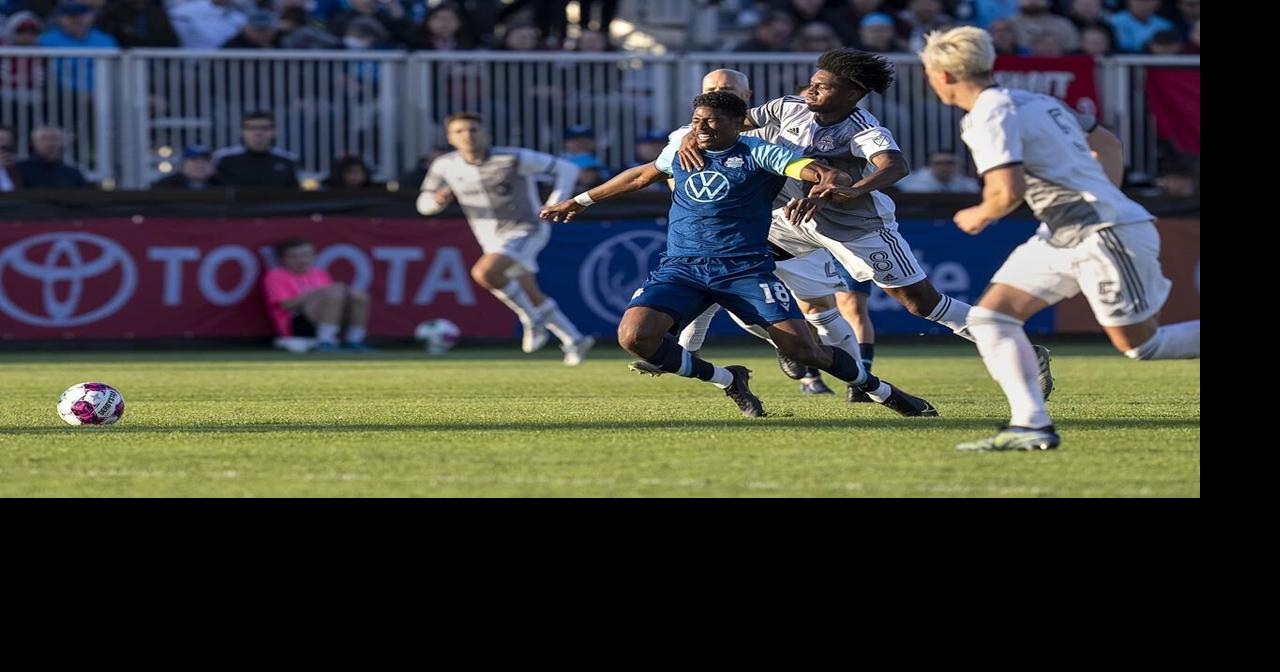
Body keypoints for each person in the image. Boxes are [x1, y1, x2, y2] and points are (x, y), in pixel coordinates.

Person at [675, 48, 1056, 399]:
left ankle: (1021, 346)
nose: (811, 90)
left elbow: (894, 165)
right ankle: (763, 348)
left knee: (921, 303)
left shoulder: (862, 128)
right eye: (813, 82)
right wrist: (691, 137)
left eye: (823, 87)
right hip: (793, 219)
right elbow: (727, 122)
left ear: (851, 95)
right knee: (727, 255)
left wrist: (855, 190)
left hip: (856, 226)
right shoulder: (786, 107)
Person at [541, 92, 938, 419]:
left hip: (745, 270)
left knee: (805, 351)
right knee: (635, 338)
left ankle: (883, 392)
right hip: (682, 268)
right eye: (696, 120)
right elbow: (640, 175)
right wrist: (579, 201)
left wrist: (827, 183)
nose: (700, 128)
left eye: (710, 121)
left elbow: (817, 170)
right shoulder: (683, 150)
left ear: (738, 122)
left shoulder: (761, 152)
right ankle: (728, 380)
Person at [919, 26, 1199, 451]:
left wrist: (980, 213)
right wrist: (1105, 193)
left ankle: (1031, 424)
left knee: (1142, 345)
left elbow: (1005, 192)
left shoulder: (987, 113)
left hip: (1101, 234)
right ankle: (1031, 425)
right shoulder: (1036, 99)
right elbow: (1107, 141)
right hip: (1064, 232)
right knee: (990, 319)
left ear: (942, 75)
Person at [416, 112, 594, 366]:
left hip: (526, 229)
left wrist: (555, 204)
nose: (467, 135)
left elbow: (567, 168)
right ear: (450, 138)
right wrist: (436, 202)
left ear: (484, 133)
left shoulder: (512, 157)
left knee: (485, 273)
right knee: (530, 291)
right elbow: (423, 203)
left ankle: (530, 318)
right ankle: (574, 339)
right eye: (460, 131)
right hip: (489, 238)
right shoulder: (444, 165)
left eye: (473, 129)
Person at [261, 237, 373, 352]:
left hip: (325, 319)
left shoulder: (319, 273)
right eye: (294, 256)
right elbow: (286, 305)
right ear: (283, 259)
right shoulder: (276, 275)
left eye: (306, 255)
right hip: (295, 325)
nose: (301, 260)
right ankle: (325, 341)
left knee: (359, 296)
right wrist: (319, 293)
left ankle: (354, 340)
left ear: (314, 256)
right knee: (334, 295)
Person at [213, 112, 300, 189]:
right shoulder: (223, 158)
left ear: (274, 132)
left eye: (264, 128)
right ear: (242, 132)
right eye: (251, 128)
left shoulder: (288, 160)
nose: (258, 133)